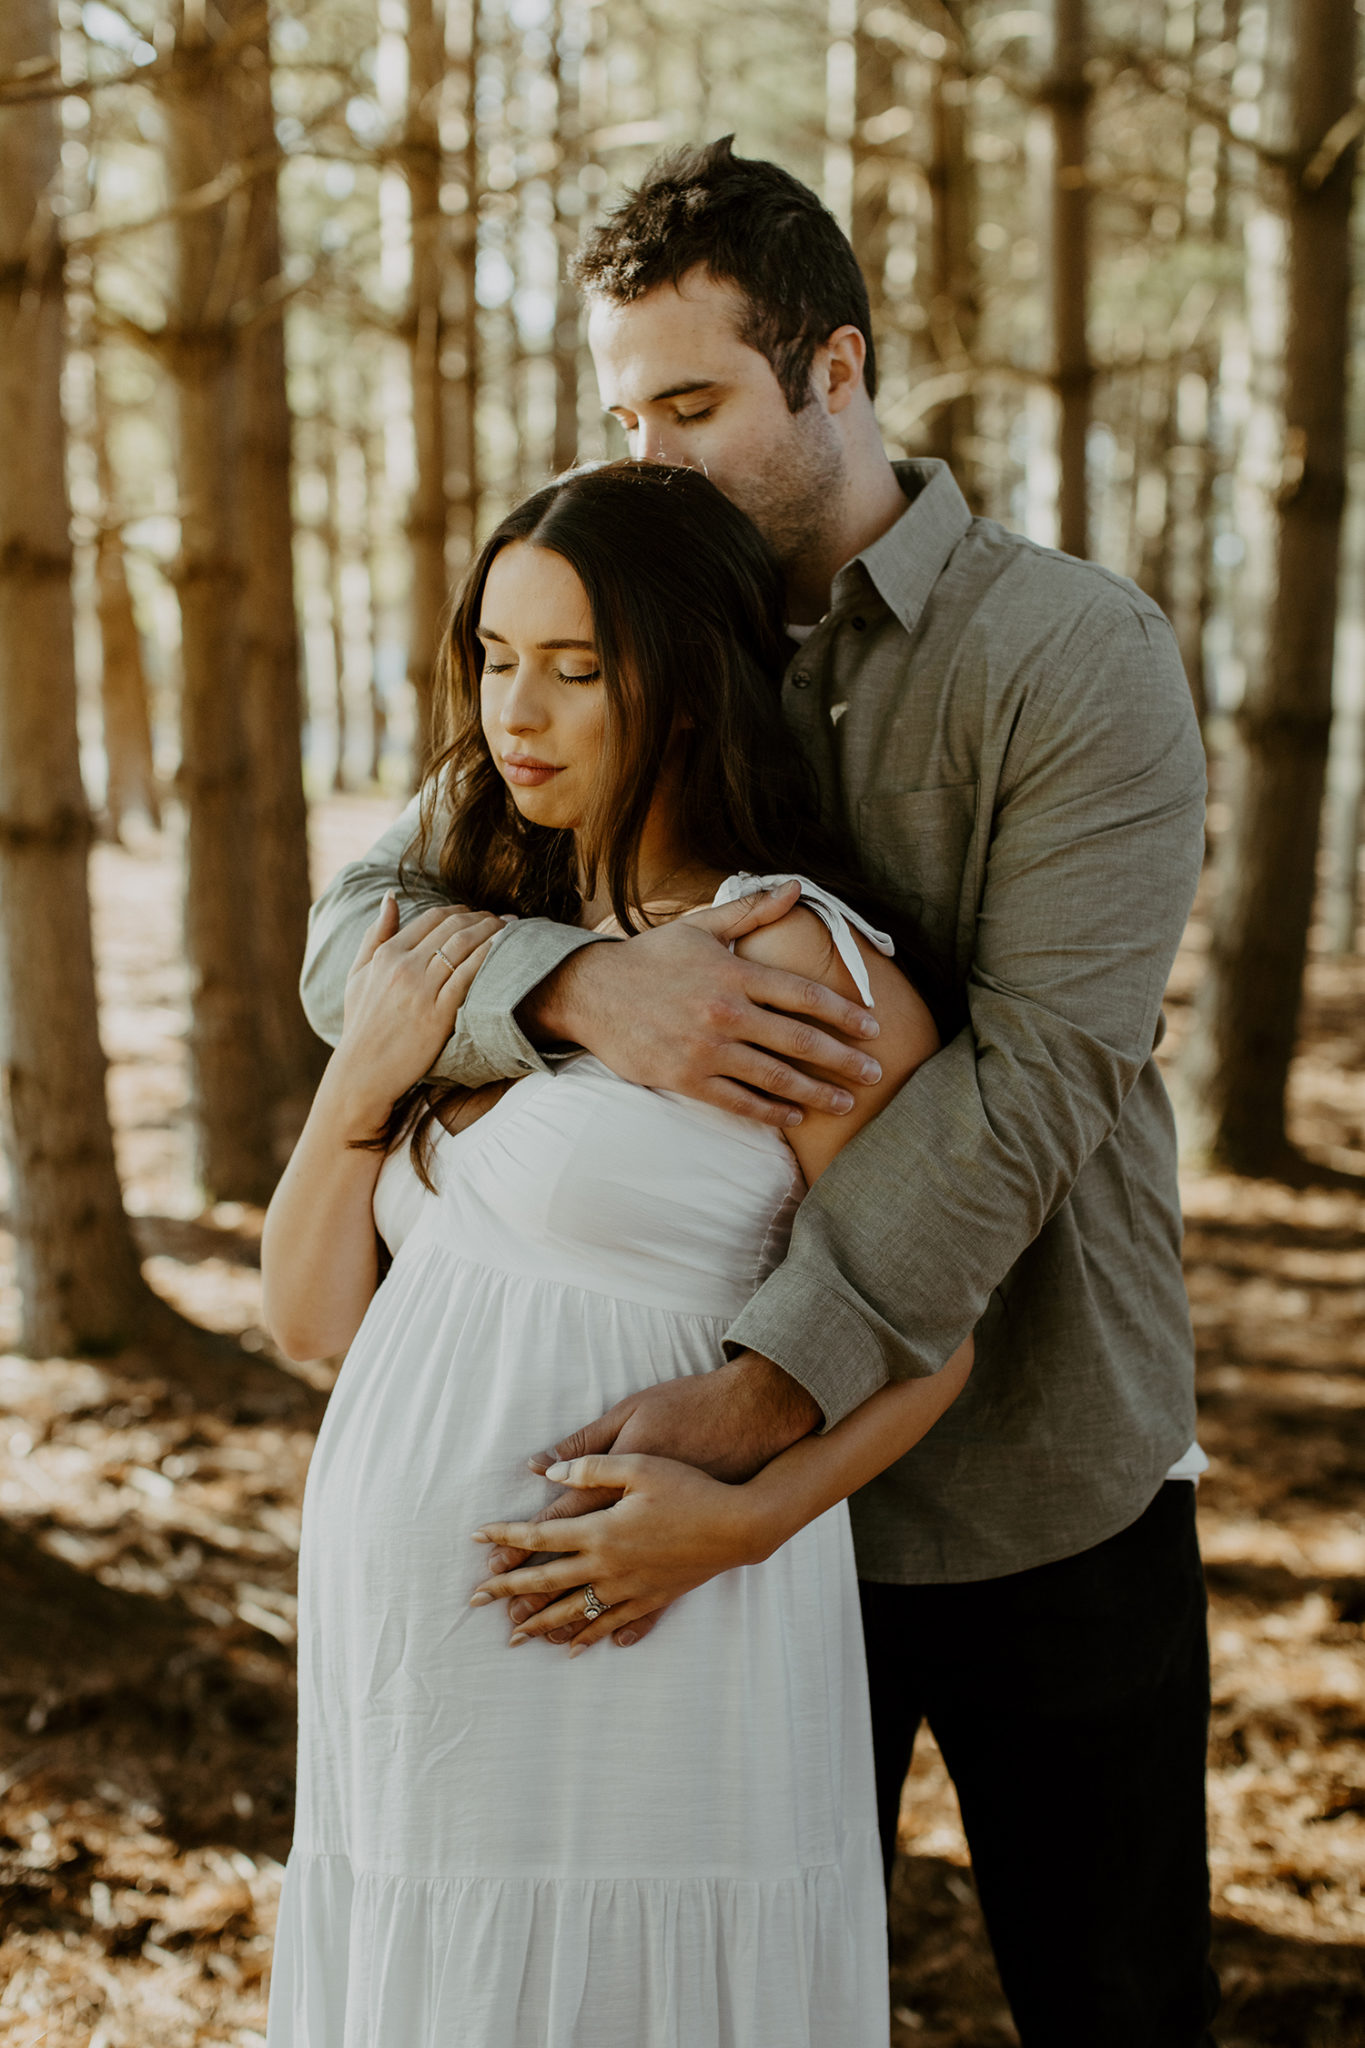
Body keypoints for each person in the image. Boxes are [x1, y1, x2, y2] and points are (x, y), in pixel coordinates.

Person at [302, 141, 1216, 2045]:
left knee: (1109, 1991)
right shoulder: (628, 623)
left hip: (1023, 1458)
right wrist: (577, 985)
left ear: (838, 368)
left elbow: (1034, 1088)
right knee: (746, 1975)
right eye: (623, 407)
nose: (651, 450)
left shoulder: (1068, 657)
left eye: (693, 402)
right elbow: (354, 942)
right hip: (709, 1542)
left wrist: (762, 1410)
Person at [263, 459, 972, 2047]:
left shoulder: (792, 962)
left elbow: (935, 1332)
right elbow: (311, 1318)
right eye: (496, 659)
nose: (520, 711)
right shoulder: (458, 937)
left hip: (654, 1636)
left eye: (578, 670)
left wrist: (731, 1529)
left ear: (692, 681)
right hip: (403, 1680)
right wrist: (370, 1071)